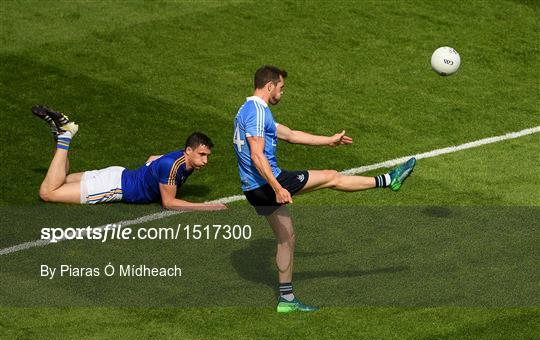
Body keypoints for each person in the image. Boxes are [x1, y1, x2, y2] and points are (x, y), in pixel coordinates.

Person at [233, 66, 416, 313]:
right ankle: (388, 180)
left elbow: (291, 134)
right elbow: (257, 155)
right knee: (331, 178)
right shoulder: (256, 112)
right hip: (267, 182)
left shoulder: (249, 110)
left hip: (253, 187)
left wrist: (329, 141)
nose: (282, 93)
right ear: (269, 86)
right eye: (281, 87)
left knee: (287, 238)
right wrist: (277, 187)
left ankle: (286, 301)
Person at [32, 106, 226, 211]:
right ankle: (65, 137)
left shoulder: (179, 159)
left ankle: (59, 133)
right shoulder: (173, 166)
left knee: (60, 179)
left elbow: (152, 158)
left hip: (117, 174)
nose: (205, 161)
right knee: (48, 192)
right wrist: (208, 206)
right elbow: (169, 203)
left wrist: (148, 175)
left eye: (207, 156)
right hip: (113, 187)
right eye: (202, 155)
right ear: (189, 151)